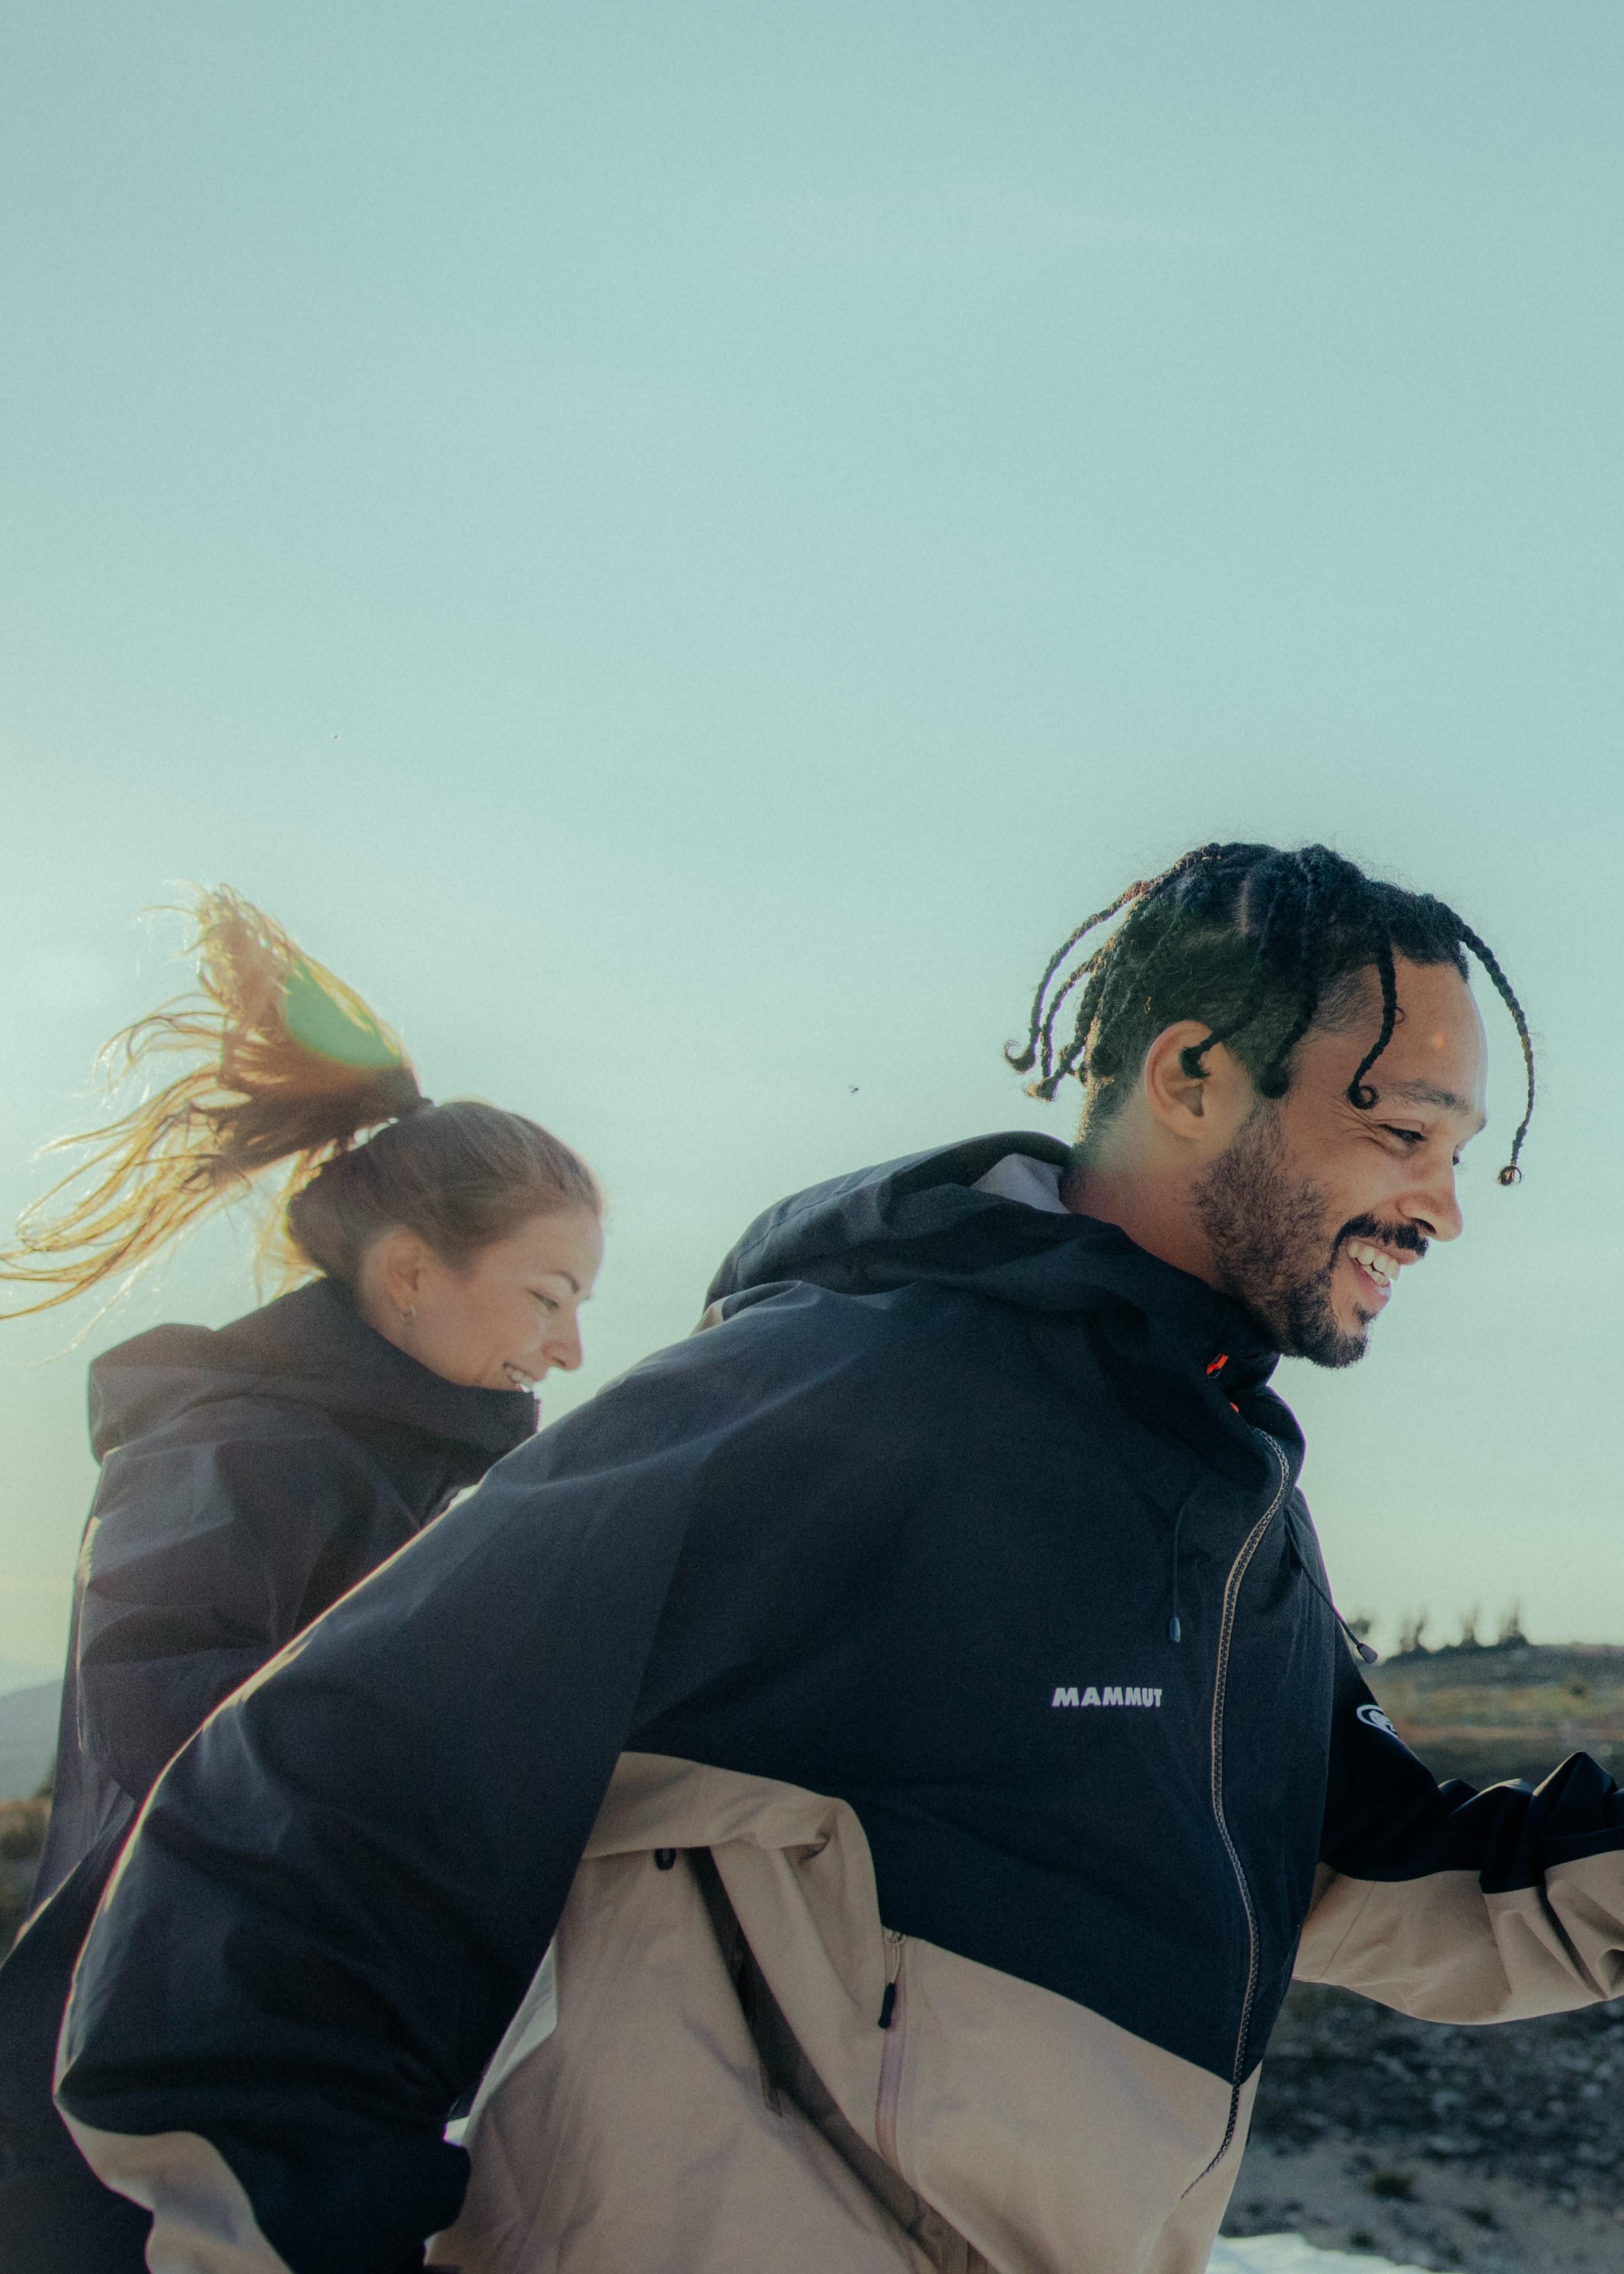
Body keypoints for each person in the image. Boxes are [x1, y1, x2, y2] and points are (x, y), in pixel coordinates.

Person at [46, 844, 1624, 2274]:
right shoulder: (843, 1401)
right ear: (1194, 1076)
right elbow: (302, 1816)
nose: (1438, 1208)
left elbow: (1388, 1876)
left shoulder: (1229, 1514)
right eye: (1402, 1128)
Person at [0, 890, 602, 2273]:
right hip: (144, 2123)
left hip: (265, 2091)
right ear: (407, 1276)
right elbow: (189, 1758)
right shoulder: (237, 1455)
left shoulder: (380, 1473)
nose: (571, 1350)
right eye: (546, 1295)